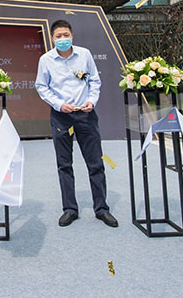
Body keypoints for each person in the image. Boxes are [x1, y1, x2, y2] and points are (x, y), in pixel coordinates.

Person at [35, 19, 118, 228]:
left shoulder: (85, 55)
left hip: (86, 115)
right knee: (64, 165)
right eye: (58, 36)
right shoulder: (46, 60)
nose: (63, 39)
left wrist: (92, 101)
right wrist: (59, 104)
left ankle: (102, 208)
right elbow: (41, 86)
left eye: (66, 35)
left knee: (95, 163)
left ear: (72, 36)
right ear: (52, 38)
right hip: (61, 116)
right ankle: (70, 209)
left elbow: (94, 81)